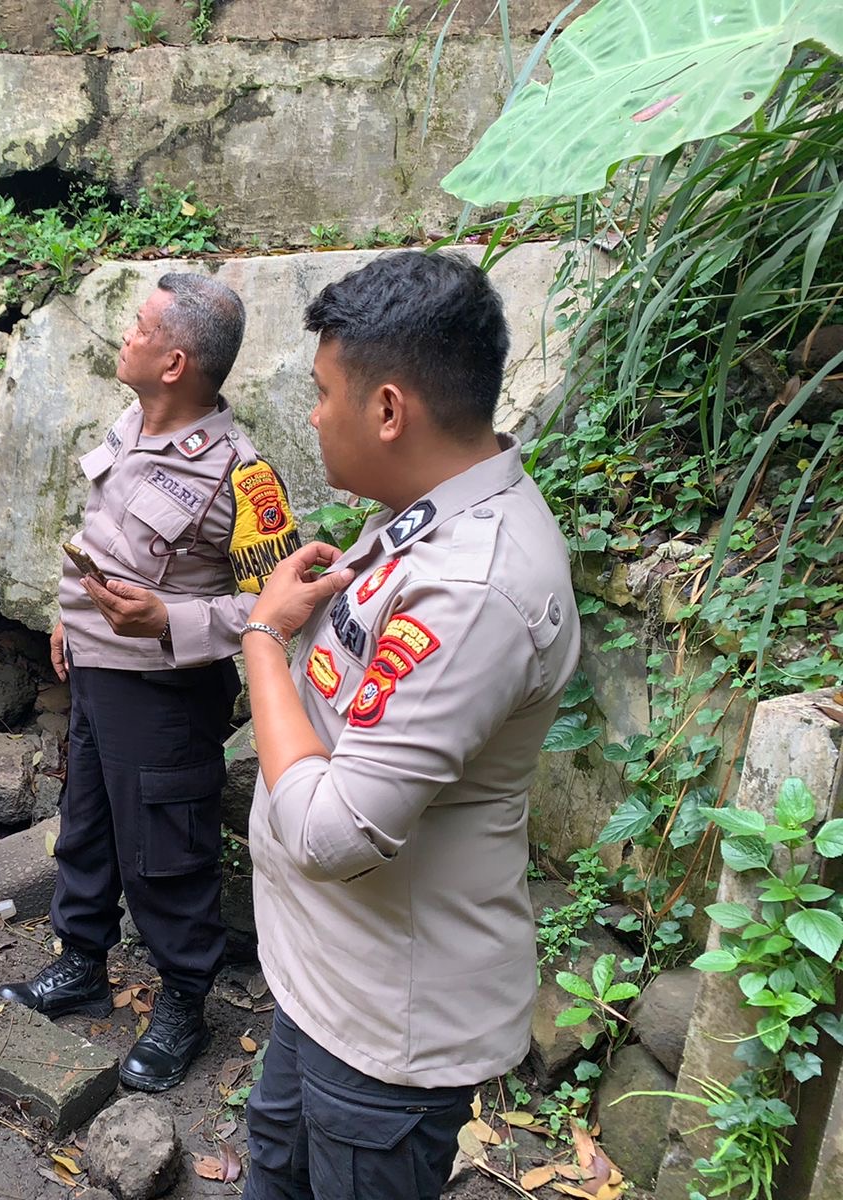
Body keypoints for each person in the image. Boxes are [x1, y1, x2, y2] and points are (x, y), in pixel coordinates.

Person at [233, 251, 578, 1200]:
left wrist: (263, 637)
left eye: (323, 393)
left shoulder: (474, 589)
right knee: (275, 1163)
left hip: (384, 1023)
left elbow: (331, 832)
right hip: (324, 974)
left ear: (389, 410)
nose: (314, 416)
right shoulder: (427, 512)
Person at [0, 273, 300, 1092]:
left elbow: (281, 607)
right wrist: (68, 617)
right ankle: (81, 965)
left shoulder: (244, 479)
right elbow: (104, 538)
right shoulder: (132, 423)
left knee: (166, 854)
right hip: (95, 674)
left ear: (174, 364)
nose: (124, 337)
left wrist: (172, 619)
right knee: (87, 826)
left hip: (165, 695)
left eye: (138, 328)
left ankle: (184, 1005)